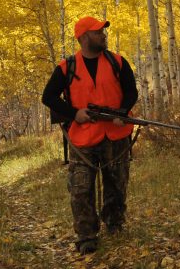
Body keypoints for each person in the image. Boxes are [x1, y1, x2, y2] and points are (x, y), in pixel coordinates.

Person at [41, 16, 138, 255]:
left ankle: (115, 224)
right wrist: (75, 113)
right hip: (82, 139)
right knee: (81, 189)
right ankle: (86, 236)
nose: (103, 35)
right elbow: (49, 97)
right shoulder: (67, 67)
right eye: (97, 32)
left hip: (115, 135)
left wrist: (123, 112)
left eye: (102, 32)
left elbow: (131, 91)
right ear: (84, 37)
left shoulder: (117, 62)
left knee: (116, 184)